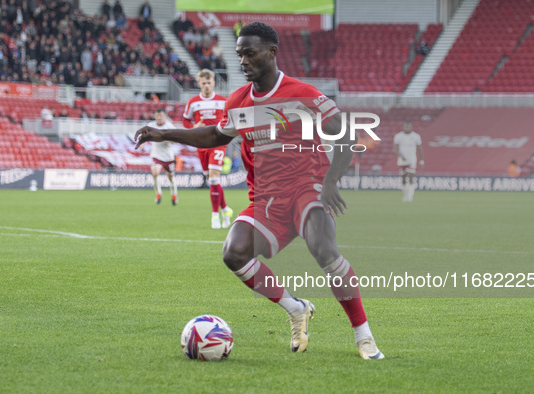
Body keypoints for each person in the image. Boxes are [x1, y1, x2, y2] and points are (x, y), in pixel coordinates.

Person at [135, 22, 384, 360]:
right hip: (266, 201)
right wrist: (165, 134)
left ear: (272, 52)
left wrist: (330, 182)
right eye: (239, 55)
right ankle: (296, 308)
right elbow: (215, 136)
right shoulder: (238, 101)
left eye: (249, 53)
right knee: (233, 253)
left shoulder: (304, 95)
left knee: (324, 249)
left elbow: (345, 135)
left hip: (307, 190)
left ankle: (364, 337)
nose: (243, 61)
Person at [183, 69, 233, 229]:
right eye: (203, 83)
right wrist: (193, 127)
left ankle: (214, 216)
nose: (206, 86)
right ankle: (225, 209)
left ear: (213, 83)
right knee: (212, 180)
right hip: (201, 144)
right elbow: (185, 122)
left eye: (208, 82)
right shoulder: (193, 102)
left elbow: (231, 119)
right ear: (199, 84)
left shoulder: (223, 101)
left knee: (213, 177)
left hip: (218, 142)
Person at [146, 108, 179, 205]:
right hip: (156, 154)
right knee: (155, 173)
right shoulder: (151, 125)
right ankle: (158, 193)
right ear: (155, 116)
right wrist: (143, 144)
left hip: (168, 156)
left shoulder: (170, 127)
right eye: (157, 115)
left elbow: (175, 140)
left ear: (165, 116)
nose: (159, 117)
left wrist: (166, 139)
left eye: (161, 115)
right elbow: (144, 135)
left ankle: (174, 195)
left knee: (171, 177)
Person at [393, 121, 424, 202]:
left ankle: (410, 197)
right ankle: (405, 194)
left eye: (409, 127)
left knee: (410, 177)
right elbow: (395, 149)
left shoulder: (416, 136)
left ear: (411, 127)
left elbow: (419, 149)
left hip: (411, 159)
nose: (407, 128)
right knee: (403, 178)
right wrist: (400, 156)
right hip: (402, 160)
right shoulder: (398, 136)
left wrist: (421, 161)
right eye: (406, 127)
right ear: (403, 127)